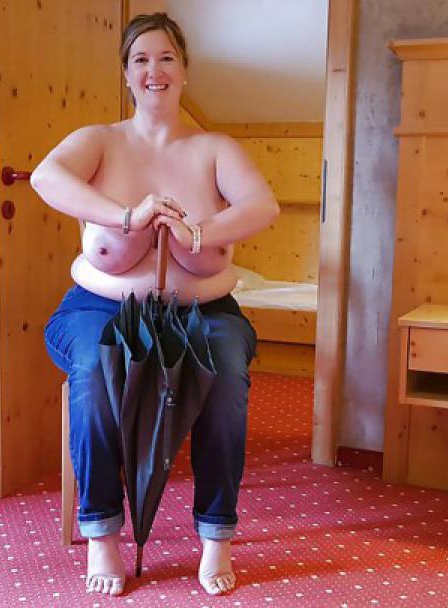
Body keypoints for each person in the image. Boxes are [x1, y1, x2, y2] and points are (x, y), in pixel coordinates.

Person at [32, 12, 279, 597]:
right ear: (125, 73)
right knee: (94, 368)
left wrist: (197, 232)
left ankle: (215, 534)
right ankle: (102, 532)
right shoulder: (100, 140)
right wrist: (128, 217)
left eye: (166, 57)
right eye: (140, 59)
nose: (154, 70)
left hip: (204, 311)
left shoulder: (214, 148)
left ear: (185, 70)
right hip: (99, 306)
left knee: (226, 371)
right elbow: (46, 177)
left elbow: (262, 205)